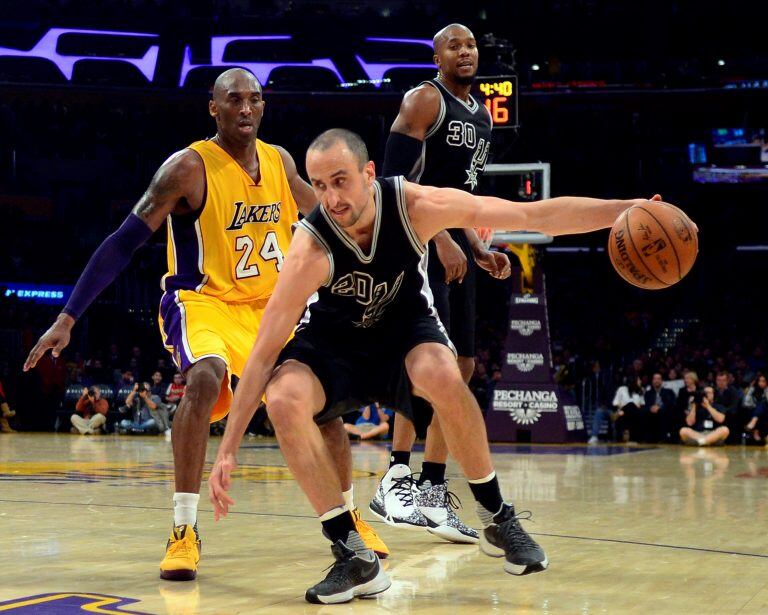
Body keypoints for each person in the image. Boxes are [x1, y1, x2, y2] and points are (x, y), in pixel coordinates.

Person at [208, 128, 673, 603]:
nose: (330, 197)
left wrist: (625, 208)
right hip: (333, 344)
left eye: (340, 180)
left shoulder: (415, 206)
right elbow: (265, 351)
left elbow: (532, 213)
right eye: (319, 184)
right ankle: (353, 556)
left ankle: (497, 518)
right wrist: (227, 448)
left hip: (405, 333)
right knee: (283, 396)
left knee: (442, 373)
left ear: (370, 174)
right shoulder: (311, 246)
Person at [22, 68, 389, 581]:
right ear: (213, 108)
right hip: (205, 301)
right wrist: (68, 316)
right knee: (204, 376)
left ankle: (349, 522)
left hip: (271, 306)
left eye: (255, 100)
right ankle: (183, 529)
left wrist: (404, 231)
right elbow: (125, 240)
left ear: (263, 108)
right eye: (233, 100)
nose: (245, 108)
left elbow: (331, 216)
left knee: (323, 408)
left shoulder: (280, 162)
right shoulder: (187, 168)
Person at [373, 22, 511, 544]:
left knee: (464, 366)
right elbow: (391, 185)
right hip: (413, 246)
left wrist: (478, 248)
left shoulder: (481, 114)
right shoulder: (423, 101)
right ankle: (396, 476)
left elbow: (461, 197)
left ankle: (431, 492)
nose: (466, 51)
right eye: (455, 45)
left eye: (473, 44)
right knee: (428, 363)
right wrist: (438, 239)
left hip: (452, 246)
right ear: (436, 56)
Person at [642, 372, 677, 442]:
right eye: (655, 379)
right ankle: (648, 438)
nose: (656, 381)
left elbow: (671, 404)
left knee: (664, 412)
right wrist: (651, 408)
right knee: (645, 412)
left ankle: (664, 437)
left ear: (662, 381)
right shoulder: (648, 393)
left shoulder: (669, 392)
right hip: (651, 412)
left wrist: (659, 407)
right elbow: (646, 405)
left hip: (664, 411)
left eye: (658, 379)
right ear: (652, 381)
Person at [743, 373, 768, 443]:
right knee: (759, 406)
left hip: (766, 413)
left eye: (763, 381)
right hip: (753, 411)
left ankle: (755, 428)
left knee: (762, 404)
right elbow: (746, 403)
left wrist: (766, 390)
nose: (761, 383)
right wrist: (751, 388)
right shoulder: (754, 390)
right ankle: (756, 430)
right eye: (760, 381)